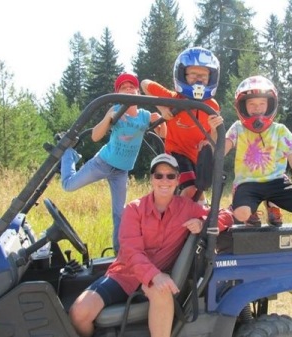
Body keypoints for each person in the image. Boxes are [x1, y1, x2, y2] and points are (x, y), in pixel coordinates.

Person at [69, 153, 230, 337]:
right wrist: (154, 275)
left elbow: (225, 215)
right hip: (125, 275)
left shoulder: (186, 207)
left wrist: (202, 223)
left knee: (162, 290)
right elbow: (131, 251)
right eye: (159, 175)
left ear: (177, 180)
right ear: (151, 179)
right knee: (79, 313)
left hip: (159, 276)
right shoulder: (134, 209)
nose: (164, 180)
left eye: (170, 176)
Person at [59, 73, 166, 253]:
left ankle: (119, 254)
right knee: (68, 186)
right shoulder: (116, 111)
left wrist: (160, 119)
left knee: (120, 213)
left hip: (121, 172)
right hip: (103, 162)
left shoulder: (144, 116)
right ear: (118, 94)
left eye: (132, 87)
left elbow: (163, 134)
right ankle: (69, 154)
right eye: (124, 88)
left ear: (138, 93)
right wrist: (109, 117)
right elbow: (95, 136)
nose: (129, 90)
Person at [210, 75, 292, 226]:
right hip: (247, 183)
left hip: (277, 182)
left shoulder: (279, 130)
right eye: (251, 104)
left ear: (270, 105)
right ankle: (251, 209)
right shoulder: (238, 127)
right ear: (242, 106)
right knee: (241, 214)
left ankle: (272, 204)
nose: (257, 108)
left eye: (262, 103)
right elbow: (220, 153)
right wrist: (213, 132)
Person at [141, 46, 221, 205]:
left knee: (198, 194)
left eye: (203, 75)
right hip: (175, 153)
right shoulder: (173, 98)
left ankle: (198, 224)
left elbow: (213, 139)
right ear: (182, 75)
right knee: (190, 190)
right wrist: (162, 107)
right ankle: (177, 225)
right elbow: (144, 83)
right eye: (193, 74)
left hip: (197, 158)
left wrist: (213, 130)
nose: (199, 80)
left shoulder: (212, 106)